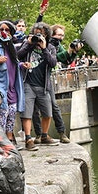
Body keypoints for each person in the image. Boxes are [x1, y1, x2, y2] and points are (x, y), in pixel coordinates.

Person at [31, 23, 78, 144]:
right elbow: (55, 57)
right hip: (34, 76)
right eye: (59, 35)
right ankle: (39, 134)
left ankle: (62, 133)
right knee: (35, 109)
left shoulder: (58, 45)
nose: (61, 38)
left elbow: (66, 60)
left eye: (62, 35)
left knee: (54, 106)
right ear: (52, 34)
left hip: (47, 78)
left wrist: (73, 51)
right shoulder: (45, 43)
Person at [17, 22, 57, 151]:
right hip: (28, 83)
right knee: (27, 113)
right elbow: (18, 55)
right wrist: (29, 44)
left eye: (41, 32)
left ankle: (44, 136)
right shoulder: (28, 44)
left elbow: (52, 63)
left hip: (43, 85)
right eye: (36, 32)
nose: (38, 35)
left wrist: (44, 48)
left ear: (46, 34)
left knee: (47, 113)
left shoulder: (50, 47)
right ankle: (28, 139)